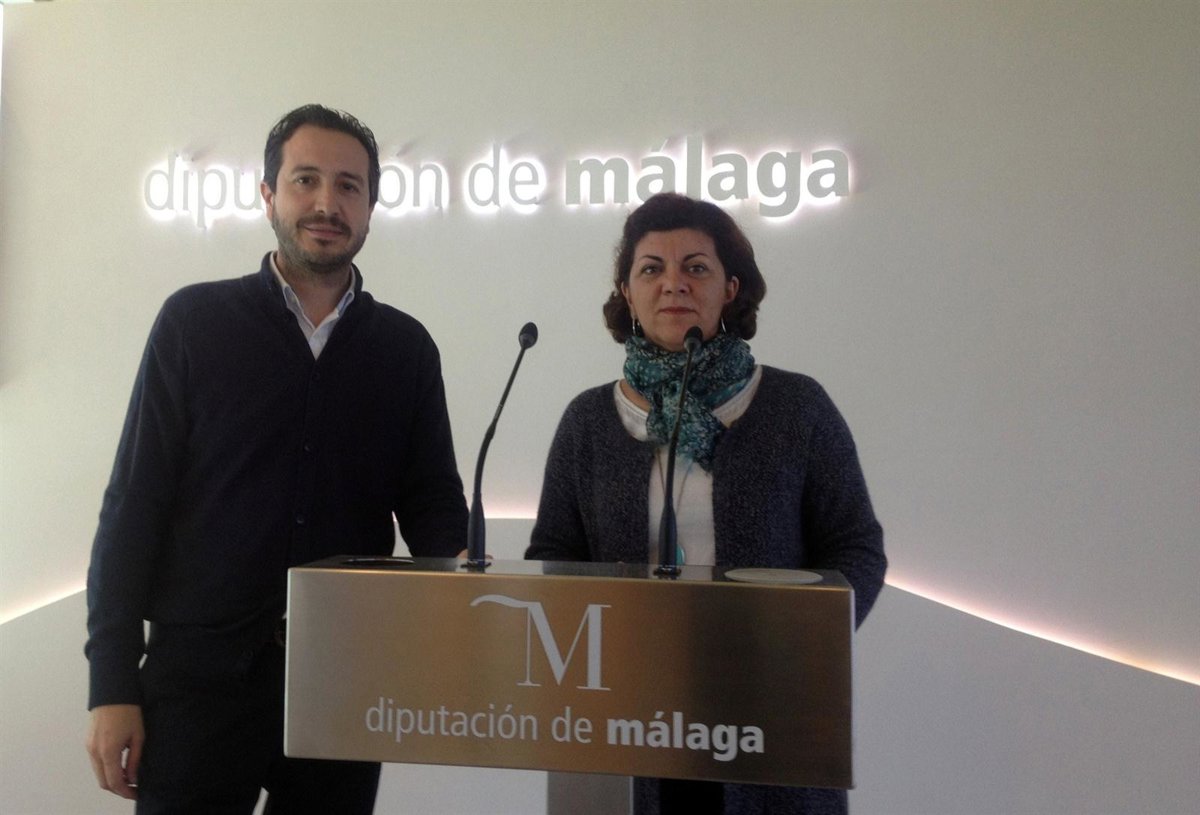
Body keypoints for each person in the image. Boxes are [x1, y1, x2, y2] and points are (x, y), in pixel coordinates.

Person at [84, 104, 469, 814]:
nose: (327, 203)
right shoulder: (193, 323)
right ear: (268, 195)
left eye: (349, 186)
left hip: (344, 685)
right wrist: (110, 684)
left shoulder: (405, 349)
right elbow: (134, 505)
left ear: (371, 207)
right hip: (196, 686)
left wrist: (464, 586)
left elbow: (432, 506)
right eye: (305, 180)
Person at [526, 192, 886, 815]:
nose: (674, 283)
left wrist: (799, 646)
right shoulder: (587, 421)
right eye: (651, 269)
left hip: (766, 719)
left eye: (696, 267)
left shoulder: (798, 408)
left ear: (730, 289)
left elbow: (856, 548)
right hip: (623, 718)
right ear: (627, 293)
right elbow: (554, 556)